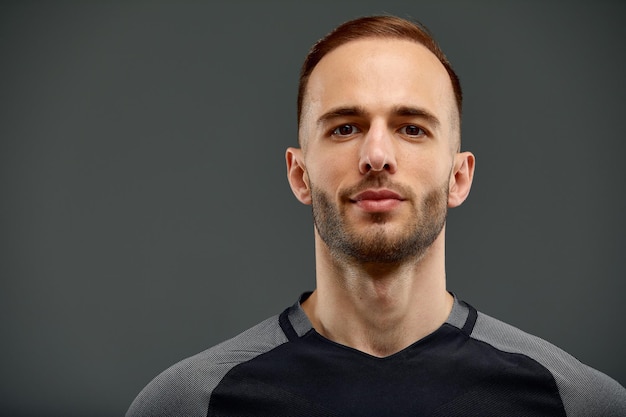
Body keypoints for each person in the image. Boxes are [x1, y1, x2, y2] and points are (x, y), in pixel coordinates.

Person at [126, 15, 626, 416]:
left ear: (459, 177)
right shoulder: (189, 404)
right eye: (345, 128)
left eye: (411, 128)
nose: (377, 154)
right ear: (300, 174)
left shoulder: (578, 404)